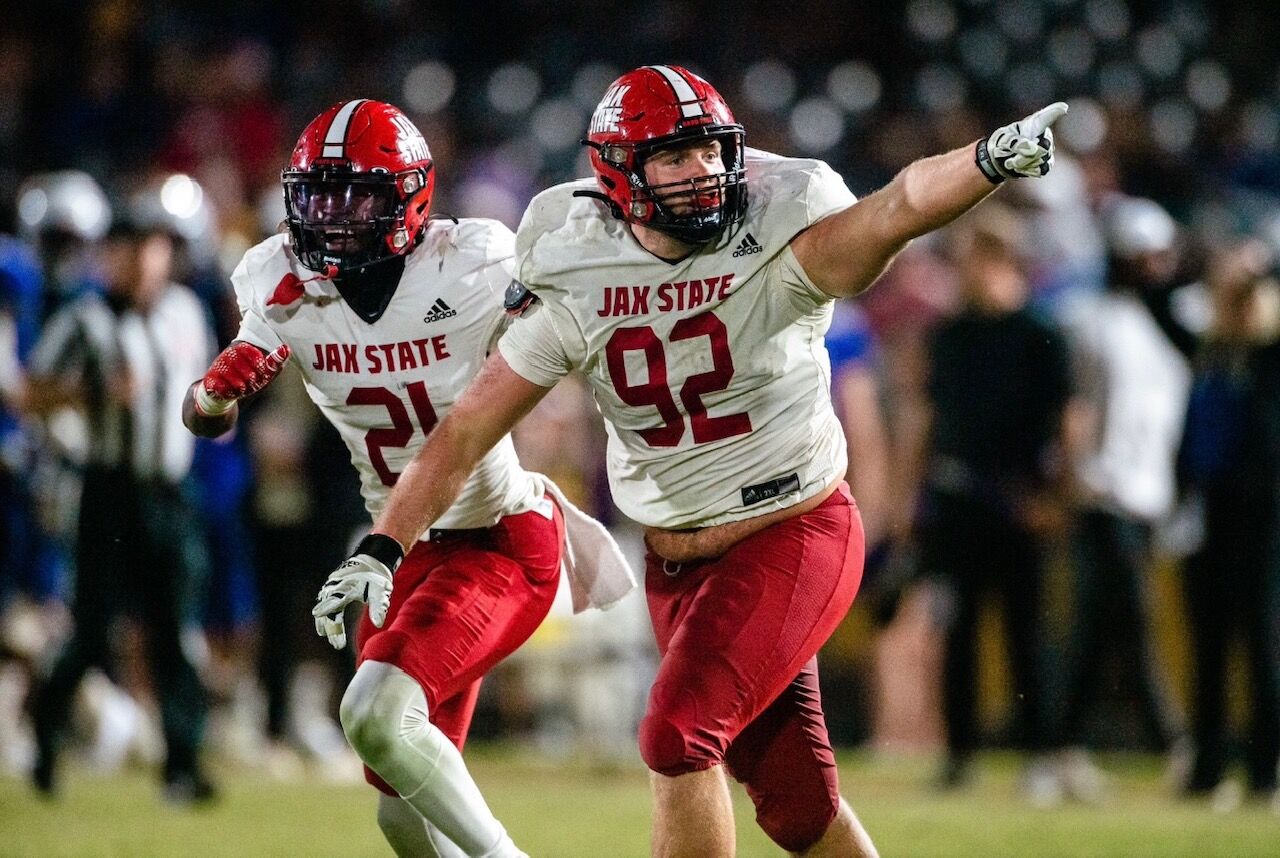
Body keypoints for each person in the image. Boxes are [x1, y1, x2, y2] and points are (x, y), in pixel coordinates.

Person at [313, 67, 1067, 857]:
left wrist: (985, 160)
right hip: (674, 563)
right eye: (676, 156)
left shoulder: (780, 233)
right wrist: (385, 545)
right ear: (618, 173)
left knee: (676, 736)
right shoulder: (579, 266)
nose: (704, 169)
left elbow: (900, 205)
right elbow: (467, 427)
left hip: (792, 530)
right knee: (795, 804)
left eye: (711, 149)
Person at [183, 100, 632, 858]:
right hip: (403, 553)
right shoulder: (278, 278)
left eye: (355, 193)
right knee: (402, 813)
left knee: (373, 713)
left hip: (499, 539)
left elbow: (569, 338)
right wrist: (214, 393)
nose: (333, 215)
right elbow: (204, 422)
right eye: (318, 194)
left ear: (410, 196)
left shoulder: (477, 262)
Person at [26, 216, 217, 803]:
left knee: (176, 630)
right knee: (91, 630)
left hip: (172, 492)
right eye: (129, 250)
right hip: (109, 489)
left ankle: (182, 765)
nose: (141, 262)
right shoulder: (85, 319)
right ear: (110, 256)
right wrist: (93, 394)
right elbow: (30, 390)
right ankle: (47, 737)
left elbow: (207, 383)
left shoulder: (184, 311)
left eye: (151, 249)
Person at [909, 206, 1071, 801]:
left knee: (1028, 633)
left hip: (1021, 501)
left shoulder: (1039, 333)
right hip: (959, 503)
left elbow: (1064, 420)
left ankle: (1040, 755)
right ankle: (960, 754)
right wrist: (913, 499)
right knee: (959, 633)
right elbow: (930, 420)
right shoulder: (950, 335)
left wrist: (1056, 496)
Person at [1177, 240, 1280, 805]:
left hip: (1265, 517)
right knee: (1211, 645)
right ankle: (1208, 767)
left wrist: (1257, 264)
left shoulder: (1269, 359)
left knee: (1263, 645)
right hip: (1211, 511)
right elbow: (1160, 300)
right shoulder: (1211, 354)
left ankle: (1265, 770)